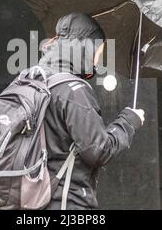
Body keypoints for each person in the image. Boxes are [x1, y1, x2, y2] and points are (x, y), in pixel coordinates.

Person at [39, 12, 145, 210]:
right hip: (65, 203)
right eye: (98, 51)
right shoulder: (72, 90)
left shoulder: (36, 80)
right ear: (86, 48)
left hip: (32, 199)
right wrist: (129, 121)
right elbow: (99, 150)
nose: (97, 60)